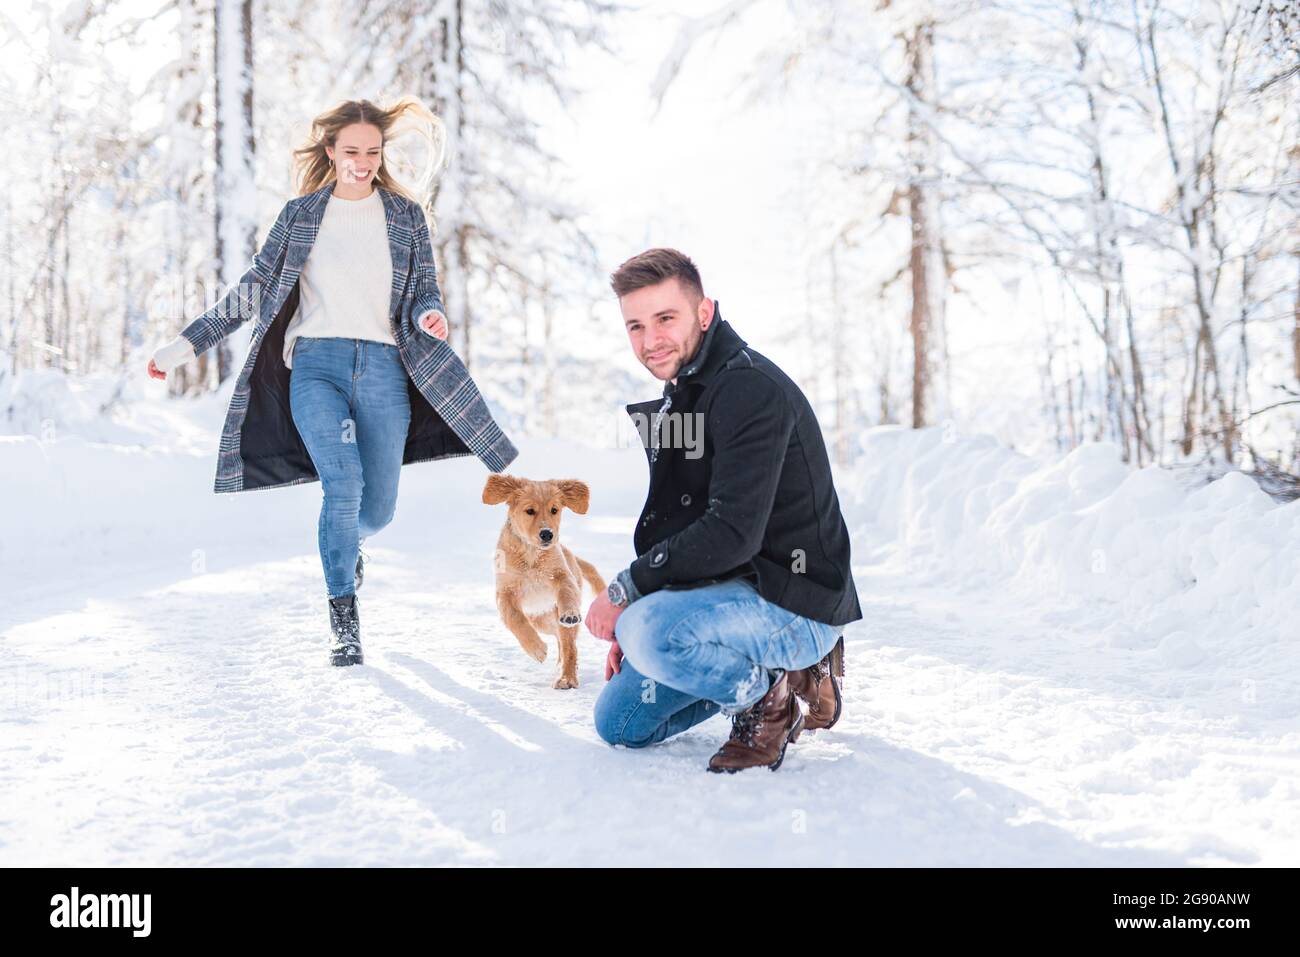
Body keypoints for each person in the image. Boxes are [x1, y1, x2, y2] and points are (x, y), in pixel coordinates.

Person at [147, 96, 518, 667]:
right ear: (330, 151)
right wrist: (185, 345)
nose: (363, 161)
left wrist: (428, 316)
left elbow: (424, 291)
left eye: (372, 152)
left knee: (378, 510)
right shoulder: (300, 215)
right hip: (315, 366)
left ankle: (351, 545)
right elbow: (252, 290)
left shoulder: (405, 217)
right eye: (352, 151)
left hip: (385, 367)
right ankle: (343, 619)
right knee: (341, 485)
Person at [584, 248, 861, 772]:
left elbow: (730, 533)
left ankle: (767, 700)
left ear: (704, 312)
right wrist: (643, 614)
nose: (650, 340)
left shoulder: (750, 390)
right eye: (636, 326)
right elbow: (684, 525)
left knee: (651, 632)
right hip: (734, 593)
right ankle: (804, 676)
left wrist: (629, 597)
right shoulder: (686, 391)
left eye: (666, 318)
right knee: (620, 723)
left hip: (797, 600)